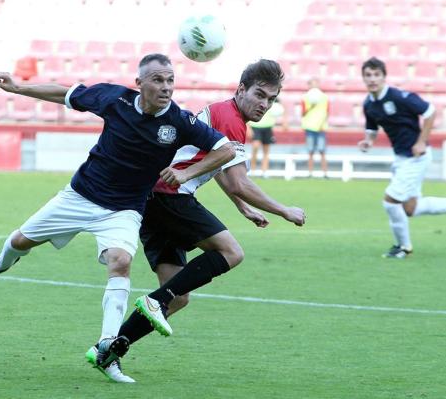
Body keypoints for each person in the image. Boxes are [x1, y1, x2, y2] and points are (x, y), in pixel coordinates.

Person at [0, 54, 236, 383]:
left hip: (123, 210)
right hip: (80, 195)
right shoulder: (114, 98)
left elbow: (226, 149)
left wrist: (188, 174)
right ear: (139, 84)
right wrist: (18, 88)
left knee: (120, 262)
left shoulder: (180, 121)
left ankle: (107, 350)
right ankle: (0, 263)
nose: (165, 87)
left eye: (170, 80)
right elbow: (64, 93)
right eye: (157, 80)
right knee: (20, 241)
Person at [85, 59, 306, 377]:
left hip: (152, 199)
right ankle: (156, 302)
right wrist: (285, 210)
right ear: (241, 89)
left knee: (178, 296)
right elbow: (237, 181)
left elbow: (214, 167)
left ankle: (108, 350)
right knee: (231, 252)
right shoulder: (230, 118)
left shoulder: (223, 113)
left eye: (271, 99)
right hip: (167, 195)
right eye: (260, 95)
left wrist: (241, 206)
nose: (265, 104)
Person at [358, 57, 446, 259]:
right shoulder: (369, 104)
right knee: (410, 208)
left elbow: (430, 112)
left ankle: (403, 247)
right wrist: (368, 140)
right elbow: (371, 128)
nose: (372, 79)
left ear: (384, 77)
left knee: (390, 201)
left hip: (416, 157)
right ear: (363, 78)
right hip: (401, 158)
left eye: (376, 75)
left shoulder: (400, 97)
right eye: (368, 75)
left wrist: (422, 141)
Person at [248, 97, 287, 176]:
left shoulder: (274, 98)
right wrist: (248, 128)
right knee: (255, 148)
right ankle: (252, 171)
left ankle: (264, 172)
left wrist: (284, 122)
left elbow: (282, 110)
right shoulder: (257, 98)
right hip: (256, 126)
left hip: (268, 127)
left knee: (266, 151)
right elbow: (248, 113)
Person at [301, 77, 329, 178]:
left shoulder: (324, 97)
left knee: (322, 151)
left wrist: (323, 124)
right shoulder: (305, 97)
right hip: (310, 127)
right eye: (312, 84)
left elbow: (327, 112)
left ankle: (325, 173)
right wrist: (311, 106)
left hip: (321, 127)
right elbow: (303, 113)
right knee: (310, 151)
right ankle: (310, 173)